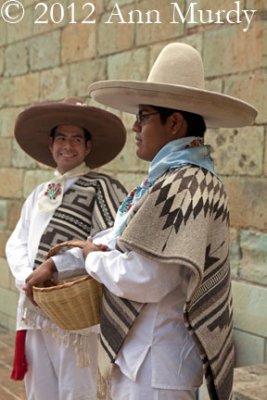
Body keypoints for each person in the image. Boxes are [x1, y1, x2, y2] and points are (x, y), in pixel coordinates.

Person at [24, 43, 257, 400]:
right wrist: (59, 263)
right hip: (145, 359)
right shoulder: (168, 181)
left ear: (174, 122)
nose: (135, 126)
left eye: (144, 116)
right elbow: (117, 238)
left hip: (155, 363)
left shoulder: (186, 185)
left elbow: (147, 277)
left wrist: (88, 258)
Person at [5, 97, 128, 400]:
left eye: (76, 139)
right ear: (50, 144)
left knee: (77, 391)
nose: (68, 146)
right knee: (40, 390)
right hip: (35, 307)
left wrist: (56, 268)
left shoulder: (103, 188)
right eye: (61, 138)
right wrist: (27, 277)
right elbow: (17, 241)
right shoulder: (39, 193)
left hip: (75, 313)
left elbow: (107, 239)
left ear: (88, 147)